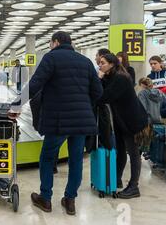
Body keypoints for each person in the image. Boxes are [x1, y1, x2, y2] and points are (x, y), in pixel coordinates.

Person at [10, 31, 103, 215]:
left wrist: (16, 106)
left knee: (46, 157)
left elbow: (35, 84)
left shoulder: (51, 58)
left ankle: (45, 198)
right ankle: (70, 200)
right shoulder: (85, 62)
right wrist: (84, 106)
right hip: (81, 120)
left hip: (58, 120)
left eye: (50, 43)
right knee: (75, 160)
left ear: (55, 42)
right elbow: (98, 92)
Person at [97, 54, 148, 199]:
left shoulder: (120, 78)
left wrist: (99, 78)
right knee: (120, 150)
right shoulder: (111, 77)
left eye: (103, 63)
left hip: (133, 121)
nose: (100, 65)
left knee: (133, 153)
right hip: (121, 120)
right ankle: (117, 179)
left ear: (112, 64)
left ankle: (134, 186)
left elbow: (104, 97)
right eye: (99, 63)